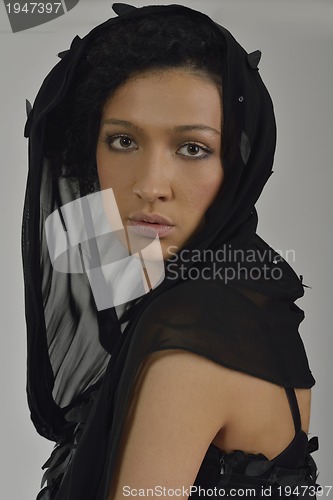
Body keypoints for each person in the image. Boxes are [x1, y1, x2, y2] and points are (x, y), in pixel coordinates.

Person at [22, 3, 320, 499]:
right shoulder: (244, 296)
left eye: (192, 148)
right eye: (122, 140)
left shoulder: (189, 337)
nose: (150, 185)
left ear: (240, 163)